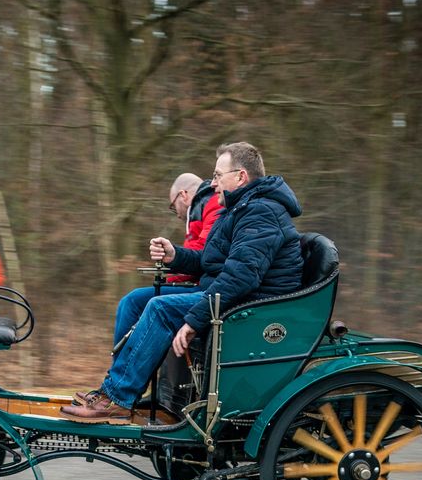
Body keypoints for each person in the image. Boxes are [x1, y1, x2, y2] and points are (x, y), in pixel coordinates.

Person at [63, 142, 304, 422]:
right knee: (134, 301)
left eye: (217, 176)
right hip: (226, 295)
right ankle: (117, 390)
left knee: (160, 308)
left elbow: (242, 277)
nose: (212, 185)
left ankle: (117, 398)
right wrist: (174, 255)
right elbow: (210, 262)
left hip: (253, 307)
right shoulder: (238, 210)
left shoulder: (261, 212)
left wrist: (193, 320)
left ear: (240, 177)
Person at [110, 172, 222, 348]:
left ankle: (120, 371)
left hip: (208, 290)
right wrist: (172, 277)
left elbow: (204, 254)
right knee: (133, 301)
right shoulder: (201, 209)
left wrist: (172, 270)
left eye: (173, 206)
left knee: (132, 302)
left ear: (183, 195)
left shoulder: (213, 203)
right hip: (204, 287)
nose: (176, 214)